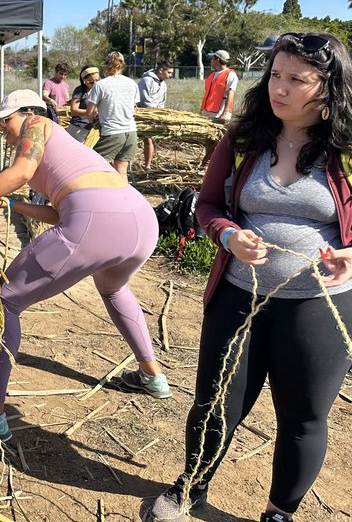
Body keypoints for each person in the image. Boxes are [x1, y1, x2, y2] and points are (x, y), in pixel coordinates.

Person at [149, 32, 352, 522]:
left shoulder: (347, 149)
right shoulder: (244, 138)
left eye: (296, 80)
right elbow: (208, 205)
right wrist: (226, 236)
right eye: (276, 75)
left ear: (328, 88)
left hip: (317, 306)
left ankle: (279, 513)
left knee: (303, 417)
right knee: (215, 400)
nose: (280, 88)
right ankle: (189, 487)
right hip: (239, 295)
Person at [0, 89, 169, 442]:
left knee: (5, 300)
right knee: (114, 288)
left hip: (97, 219)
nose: (4, 128)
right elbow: (61, 211)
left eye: (6, 120)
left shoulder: (36, 122)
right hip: (140, 221)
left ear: (27, 112)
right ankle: (153, 376)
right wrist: (14, 205)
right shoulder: (68, 155)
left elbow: (22, 172)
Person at [85, 52, 138, 179]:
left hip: (112, 133)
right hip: (131, 133)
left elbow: (89, 112)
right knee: (122, 171)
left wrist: (94, 122)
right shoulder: (132, 83)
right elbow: (134, 109)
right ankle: (123, 197)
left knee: (93, 165)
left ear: (106, 65)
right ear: (122, 65)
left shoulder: (100, 85)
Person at [200, 49, 238, 165]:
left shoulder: (230, 75)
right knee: (208, 140)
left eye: (212, 58)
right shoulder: (212, 75)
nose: (211, 60)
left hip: (219, 113)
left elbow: (231, 93)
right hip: (207, 112)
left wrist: (226, 112)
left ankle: (207, 163)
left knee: (216, 141)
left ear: (217, 59)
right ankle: (208, 163)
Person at [137, 61, 174, 170]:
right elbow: (144, 100)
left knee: (149, 139)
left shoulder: (163, 84)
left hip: (154, 116)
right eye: (169, 72)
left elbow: (162, 101)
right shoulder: (146, 81)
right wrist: (152, 113)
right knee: (144, 140)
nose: (170, 76)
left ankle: (147, 166)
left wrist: (160, 114)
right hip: (143, 115)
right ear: (161, 70)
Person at [67, 65, 100, 143]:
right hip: (78, 129)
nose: (95, 83)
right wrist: (91, 111)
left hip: (95, 128)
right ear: (84, 80)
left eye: (97, 80)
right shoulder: (80, 91)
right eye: (91, 82)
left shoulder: (101, 89)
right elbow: (74, 110)